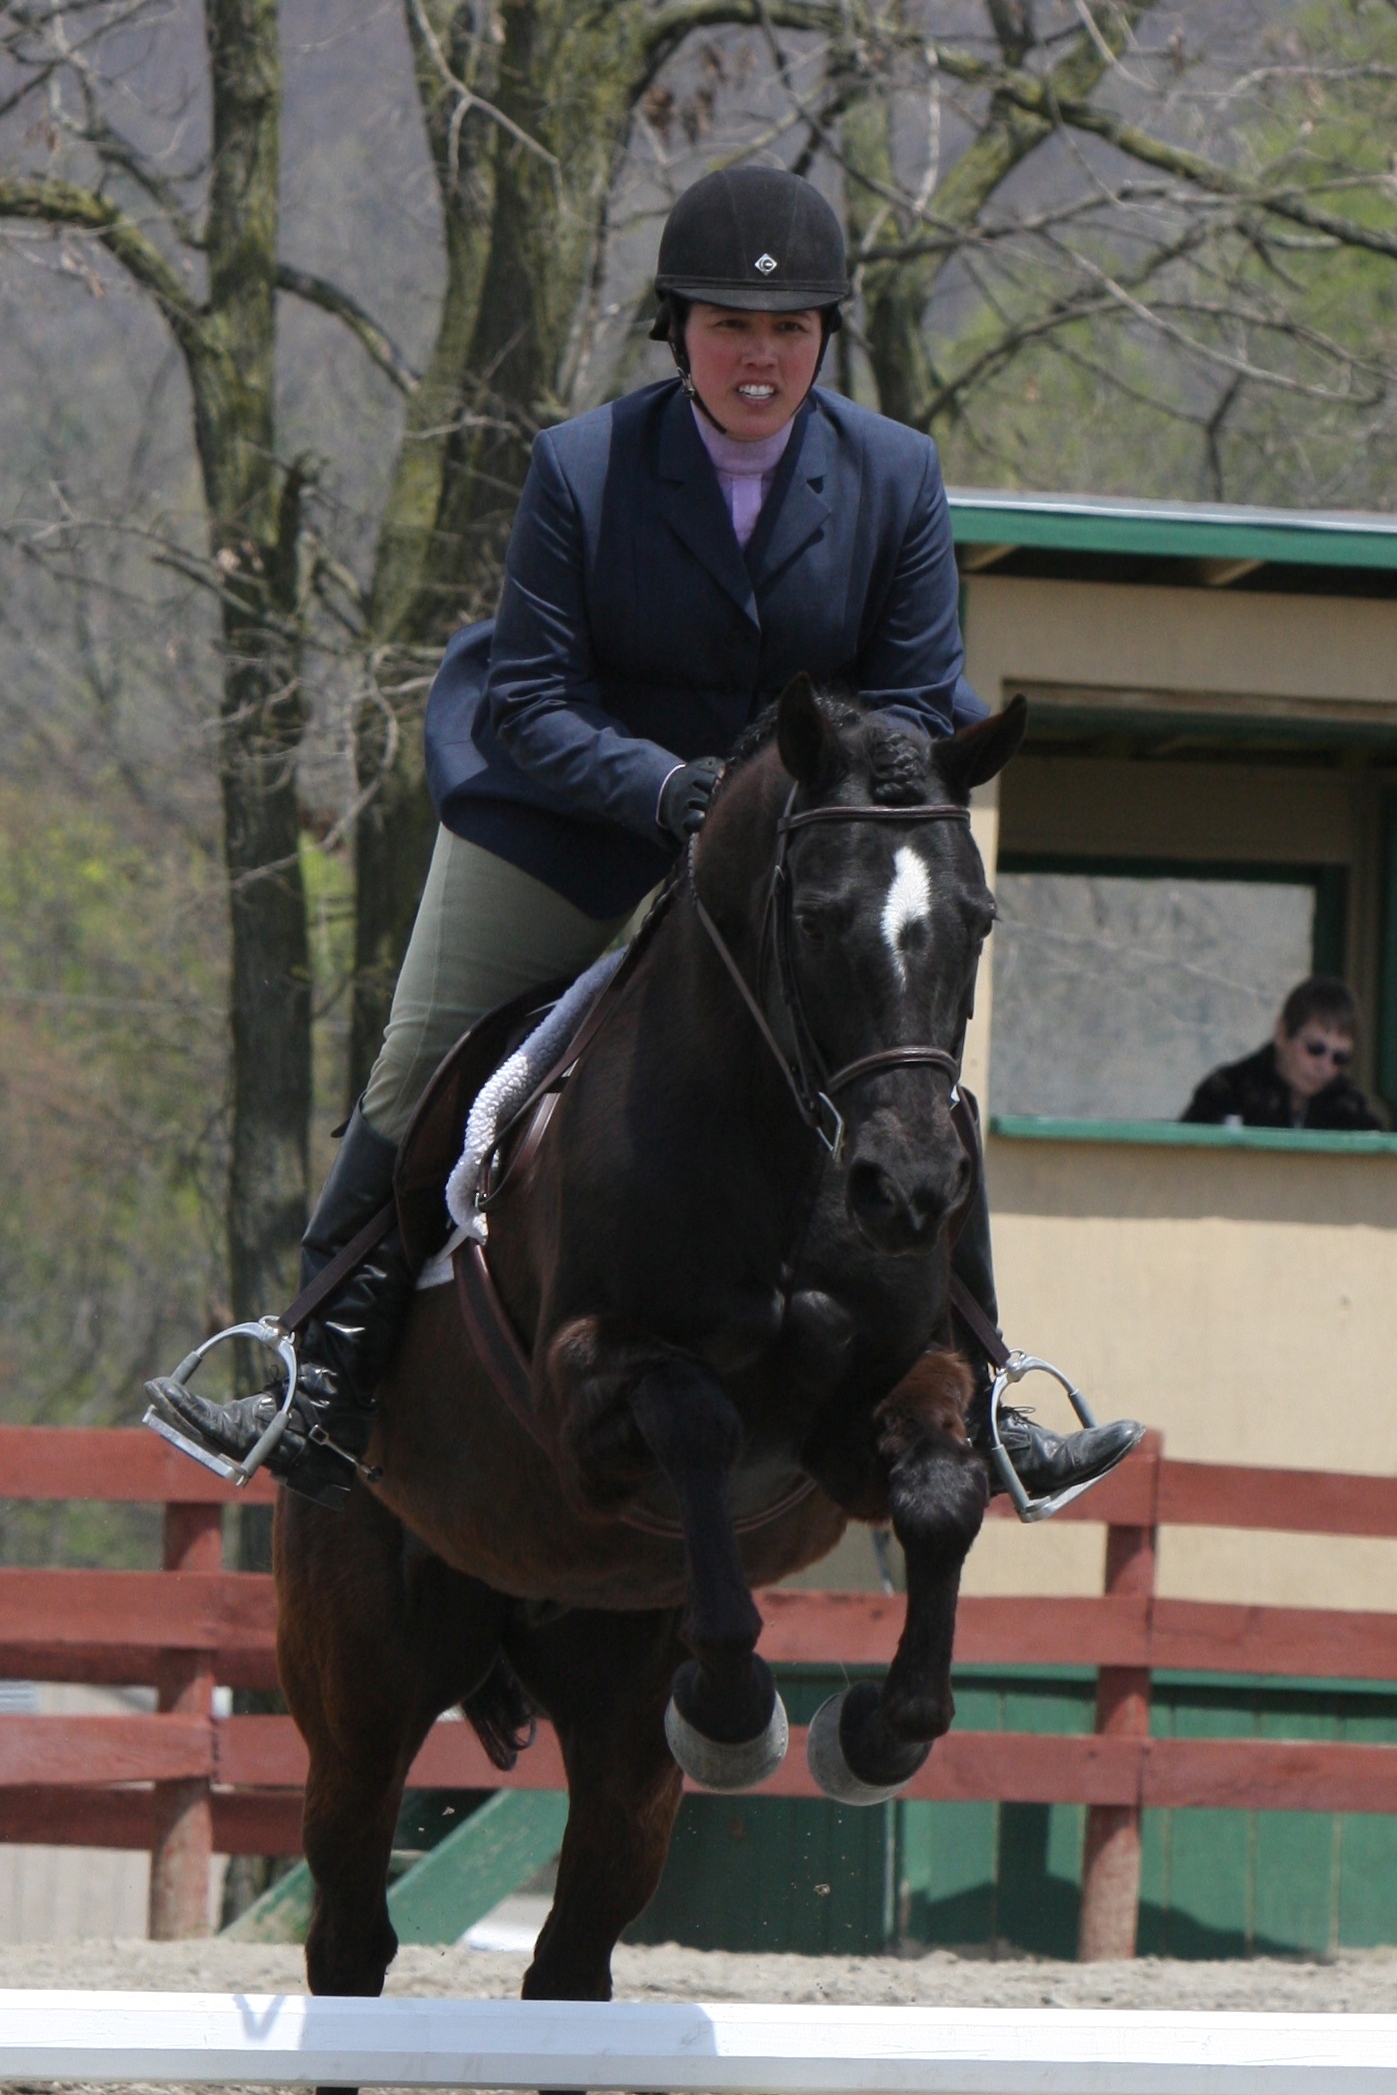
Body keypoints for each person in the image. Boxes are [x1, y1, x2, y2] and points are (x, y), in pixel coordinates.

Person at [151, 168, 1142, 1512]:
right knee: (422, 1044)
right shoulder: (583, 466)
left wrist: (798, 806)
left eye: (790, 331)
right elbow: (532, 698)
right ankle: (314, 1349)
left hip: (799, 839)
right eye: (733, 325)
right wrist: (674, 792)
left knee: (908, 1063)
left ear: (822, 342)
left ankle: (992, 1377)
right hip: (577, 811)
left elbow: (912, 693)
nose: (762, 355)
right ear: (677, 330)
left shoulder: (893, 474)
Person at [1182, 976, 1382, 1131]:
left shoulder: (1352, 1112)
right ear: (1281, 1033)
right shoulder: (1226, 1093)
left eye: (1340, 1058)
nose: (1325, 1066)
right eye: (1314, 1049)